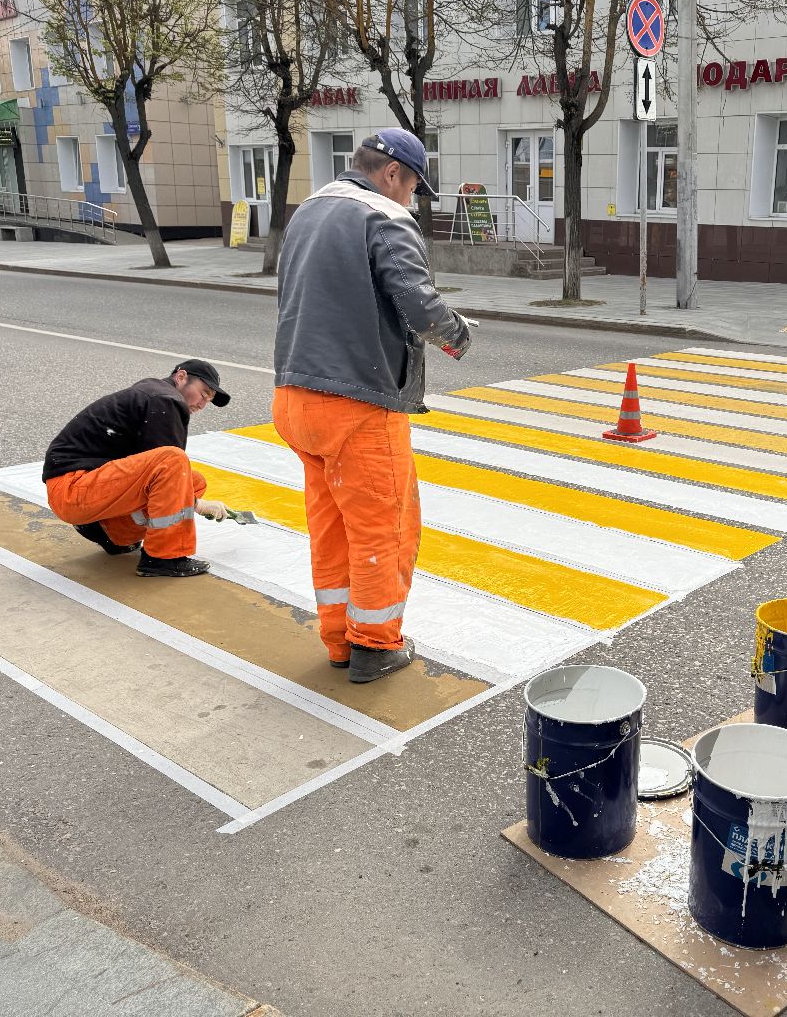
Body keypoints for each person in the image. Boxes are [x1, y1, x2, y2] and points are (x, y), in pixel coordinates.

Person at [273, 128, 472, 685]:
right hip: (356, 401)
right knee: (385, 529)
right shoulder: (382, 215)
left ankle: (339, 641)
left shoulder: (309, 210)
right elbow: (418, 303)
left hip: (294, 397)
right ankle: (376, 645)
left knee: (331, 528)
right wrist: (456, 335)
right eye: (412, 187)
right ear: (391, 175)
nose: (411, 199)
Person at [43, 360, 233, 578]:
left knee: (193, 481)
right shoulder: (165, 400)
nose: (202, 404)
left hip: (80, 488)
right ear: (181, 377)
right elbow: (168, 469)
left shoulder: (152, 394)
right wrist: (199, 505)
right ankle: (164, 558)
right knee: (174, 463)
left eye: (208, 399)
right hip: (73, 488)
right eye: (203, 393)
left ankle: (110, 533)